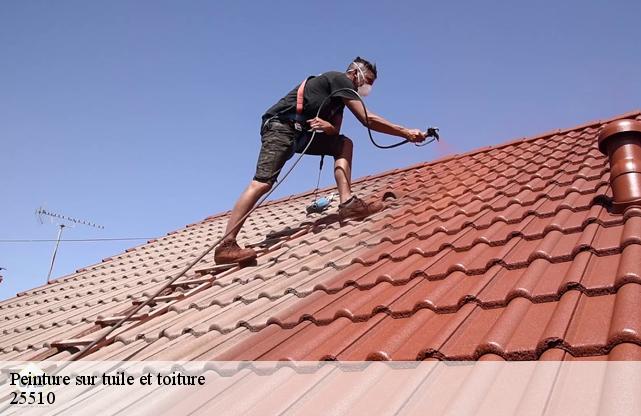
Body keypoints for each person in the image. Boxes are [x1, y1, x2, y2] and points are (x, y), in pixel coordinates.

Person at [214, 57, 427, 264]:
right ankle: (226, 245)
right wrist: (405, 132)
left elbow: (335, 132)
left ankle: (347, 204)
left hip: (301, 135)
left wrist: (328, 127)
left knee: (343, 144)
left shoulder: (339, 101)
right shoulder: (340, 79)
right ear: (354, 73)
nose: (367, 87)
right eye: (367, 81)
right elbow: (367, 119)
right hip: (280, 127)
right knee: (263, 183)